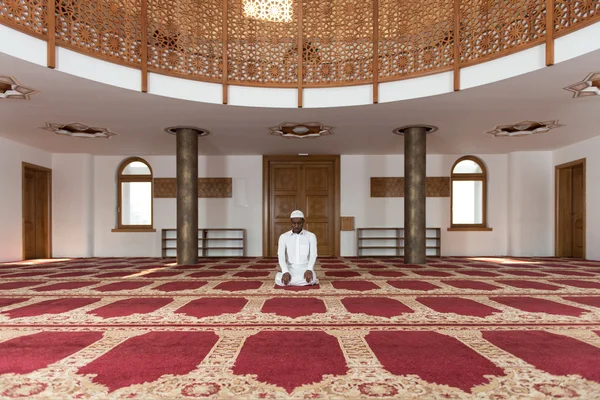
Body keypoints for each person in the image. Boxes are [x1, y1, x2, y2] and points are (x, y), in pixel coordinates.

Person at [275, 210, 319, 286]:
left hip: (305, 268)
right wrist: (285, 271)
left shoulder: (311, 236)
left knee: (312, 279)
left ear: (303, 222)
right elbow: (281, 256)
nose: (296, 225)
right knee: (279, 280)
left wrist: (309, 269)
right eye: (294, 223)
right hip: (290, 268)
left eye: (299, 223)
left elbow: (313, 254)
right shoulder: (283, 237)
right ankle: (285, 277)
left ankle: (291, 282)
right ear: (290, 222)